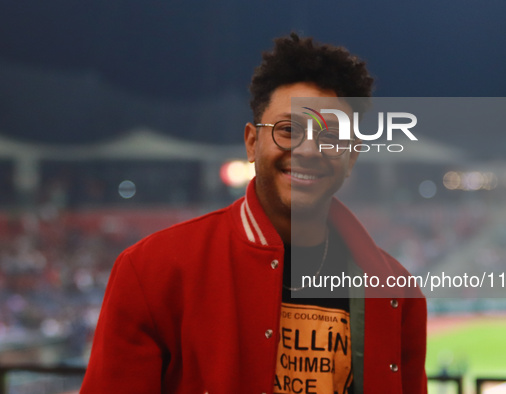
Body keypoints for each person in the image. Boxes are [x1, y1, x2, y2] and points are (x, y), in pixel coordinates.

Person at [80, 33, 427, 393]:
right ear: (251, 142)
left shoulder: (397, 292)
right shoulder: (152, 270)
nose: (309, 150)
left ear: (351, 157)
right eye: (288, 130)